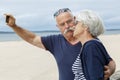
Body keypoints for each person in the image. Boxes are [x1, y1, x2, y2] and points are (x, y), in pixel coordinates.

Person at [5, 8, 116, 80]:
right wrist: (14, 27)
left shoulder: (90, 41)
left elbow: (109, 61)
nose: (67, 26)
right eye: (62, 24)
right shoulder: (55, 41)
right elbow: (33, 38)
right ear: (58, 27)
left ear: (75, 19)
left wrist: (110, 70)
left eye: (69, 21)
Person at [72, 10, 115, 80]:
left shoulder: (91, 47)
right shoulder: (91, 45)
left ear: (86, 26)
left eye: (76, 23)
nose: (73, 26)